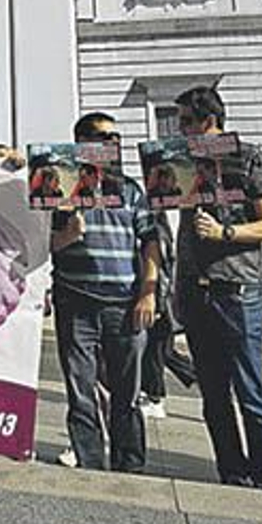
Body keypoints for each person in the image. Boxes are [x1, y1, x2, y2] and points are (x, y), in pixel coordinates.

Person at [171, 85, 262, 488]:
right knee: (213, 394)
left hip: (235, 289)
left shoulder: (247, 157)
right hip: (195, 290)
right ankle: (232, 472)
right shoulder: (182, 162)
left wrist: (225, 231)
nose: (180, 129)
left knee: (250, 389)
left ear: (209, 120)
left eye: (186, 121)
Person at [50, 112, 163, 472]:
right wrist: (67, 234)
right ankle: (90, 465)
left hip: (124, 304)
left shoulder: (130, 190)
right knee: (81, 392)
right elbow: (43, 244)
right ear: (82, 143)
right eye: (103, 137)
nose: (113, 143)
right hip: (75, 301)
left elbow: (150, 241)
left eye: (116, 138)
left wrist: (148, 292)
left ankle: (130, 465)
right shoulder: (60, 187)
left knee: (127, 394)